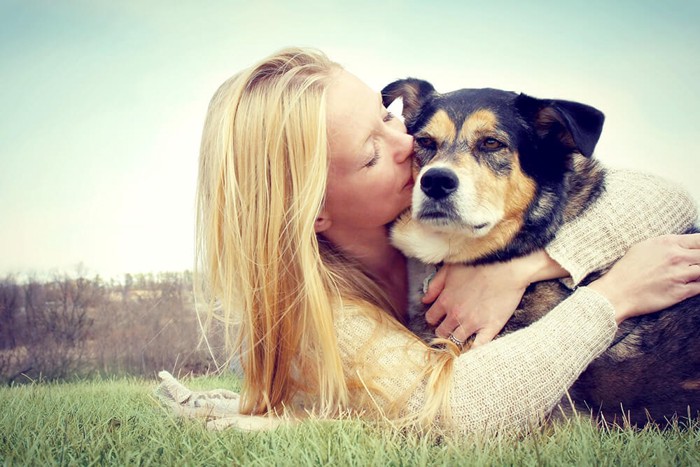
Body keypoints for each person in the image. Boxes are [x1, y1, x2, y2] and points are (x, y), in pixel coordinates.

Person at [158, 47, 700, 435]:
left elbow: (668, 199)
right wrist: (612, 298)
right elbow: (456, 412)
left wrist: (522, 269)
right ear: (313, 209)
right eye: (372, 153)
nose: (416, 154)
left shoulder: (450, 234)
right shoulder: (325, 313)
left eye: (391, 121)